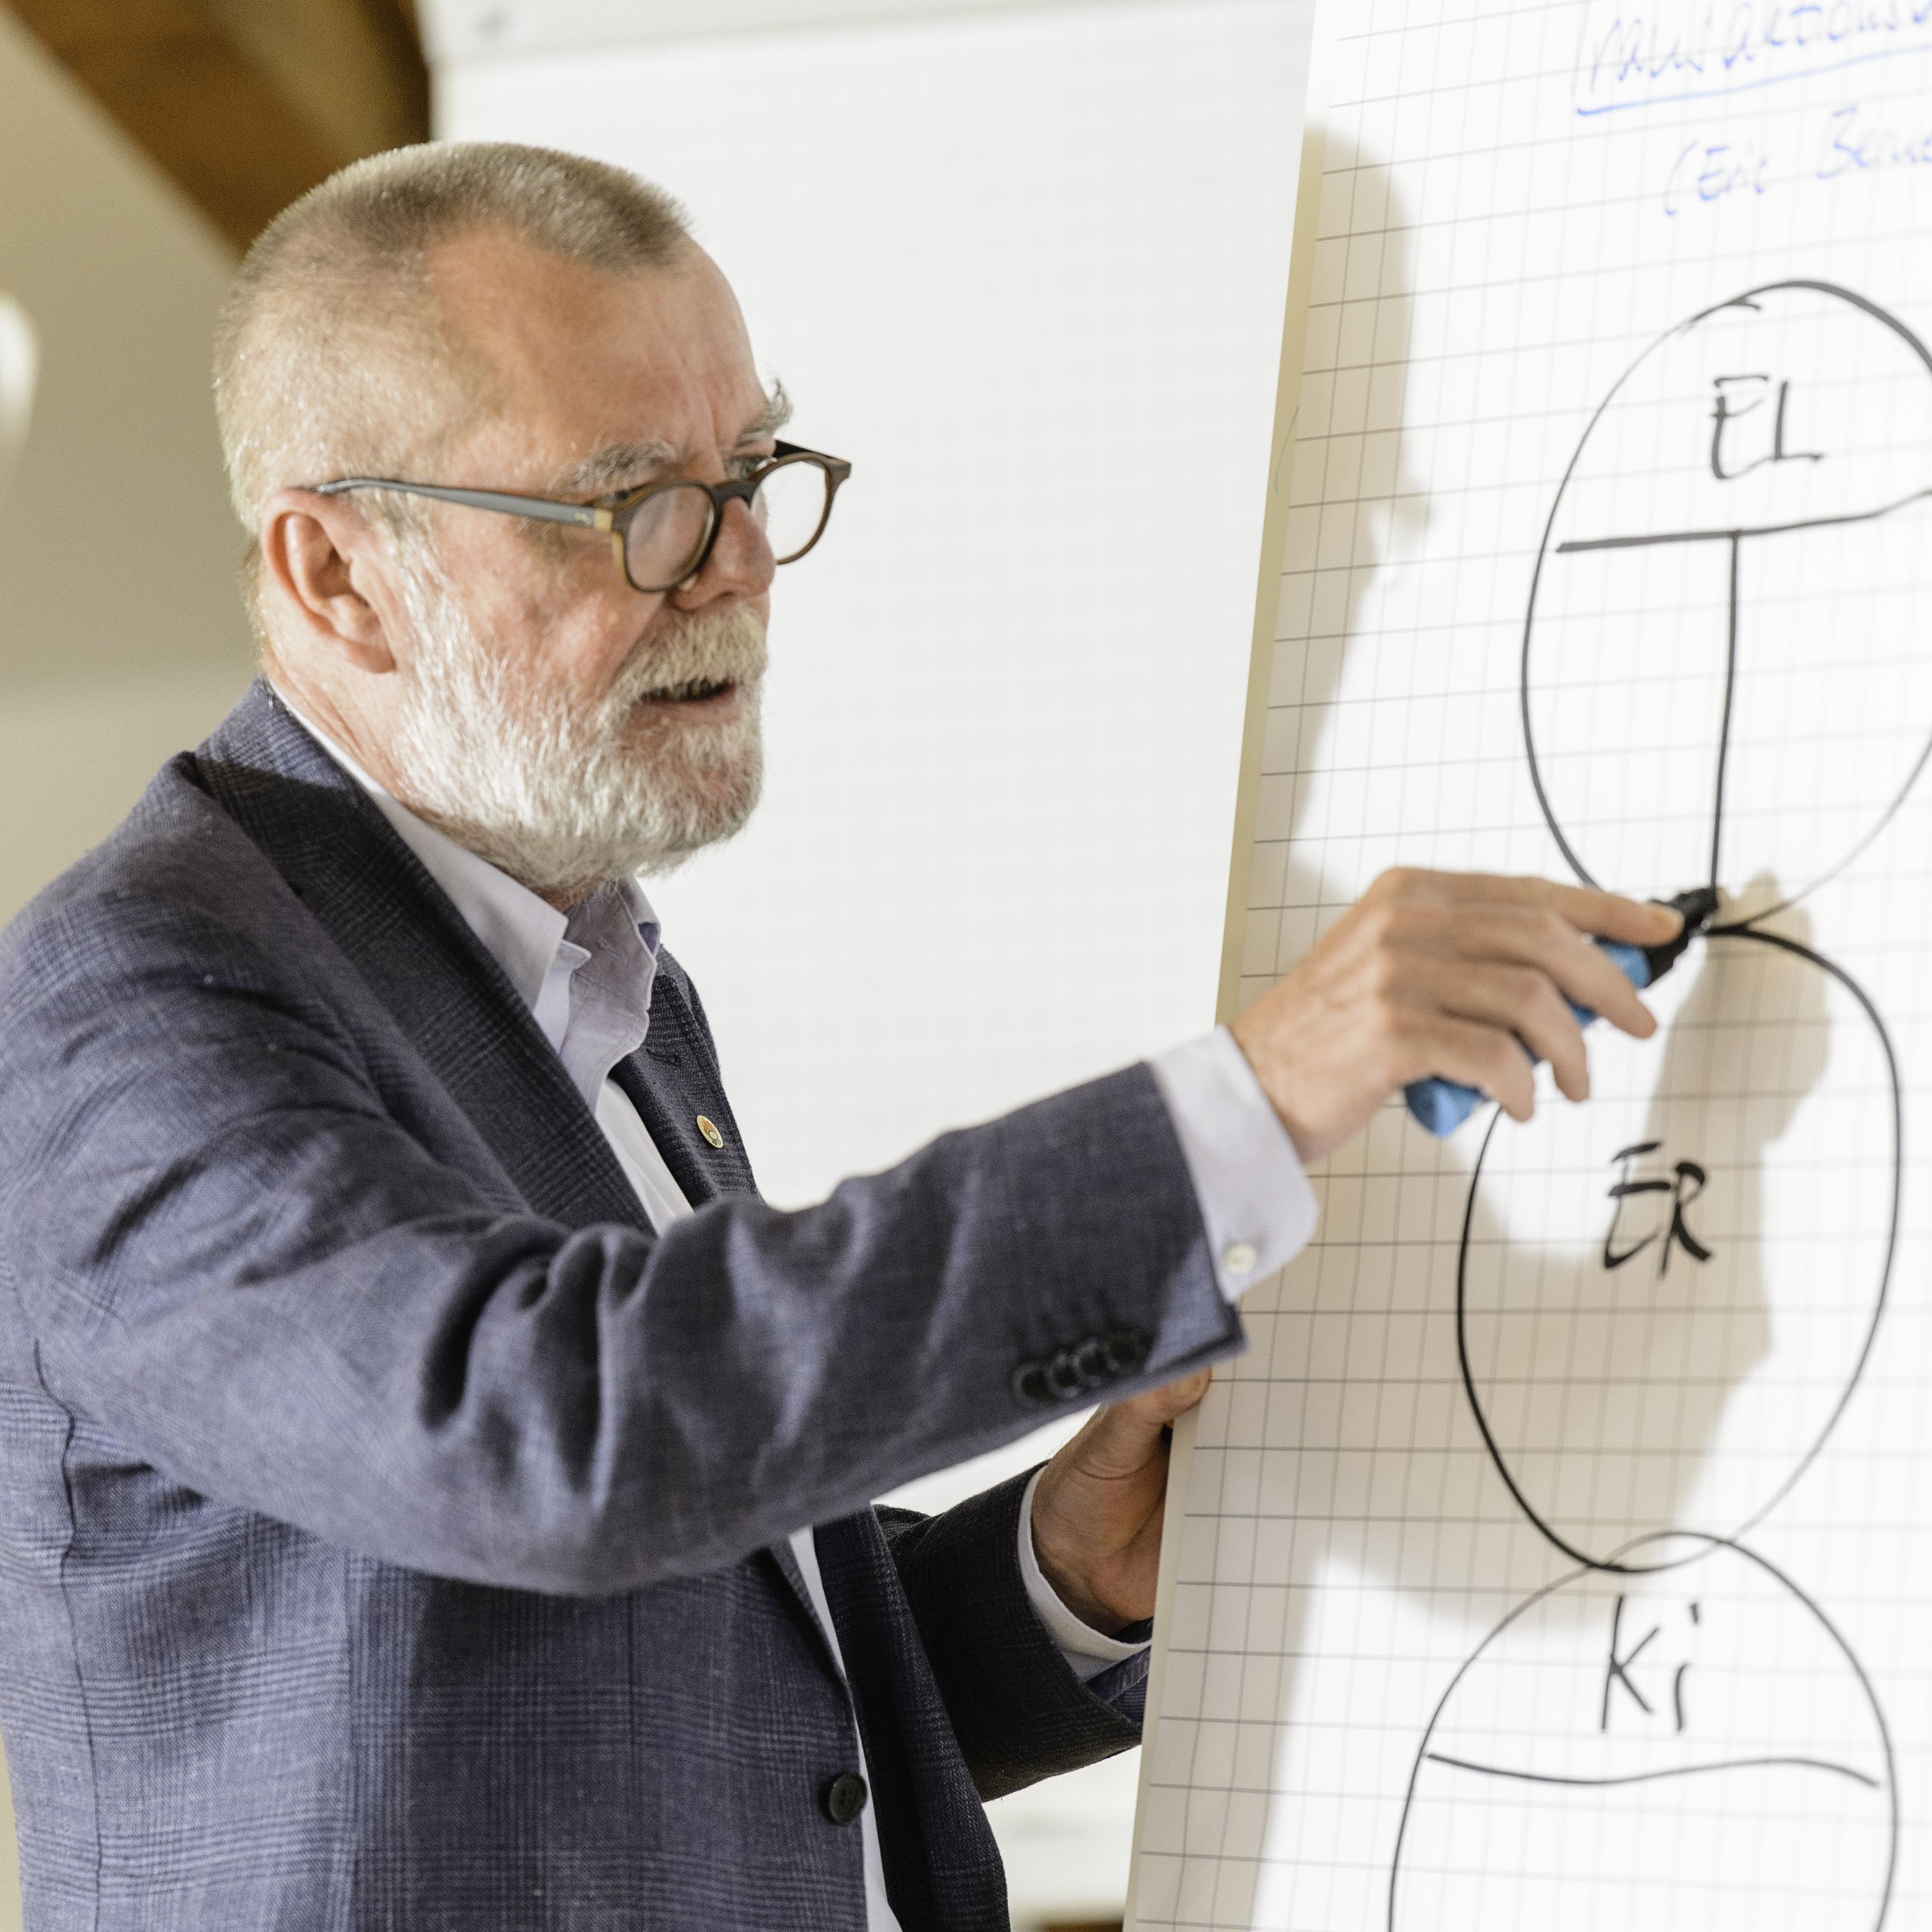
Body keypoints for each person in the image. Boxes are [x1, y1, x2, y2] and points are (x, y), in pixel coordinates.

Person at [0, 143, 1679, 1931]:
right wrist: (1248, 1106)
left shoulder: (597, 970)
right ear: (340, 573)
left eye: (747, 475)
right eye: (631, 499)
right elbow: (547, 1434)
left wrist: (1056, 1581)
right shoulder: (130, 994)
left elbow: (722, 1708)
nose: (730, 567)